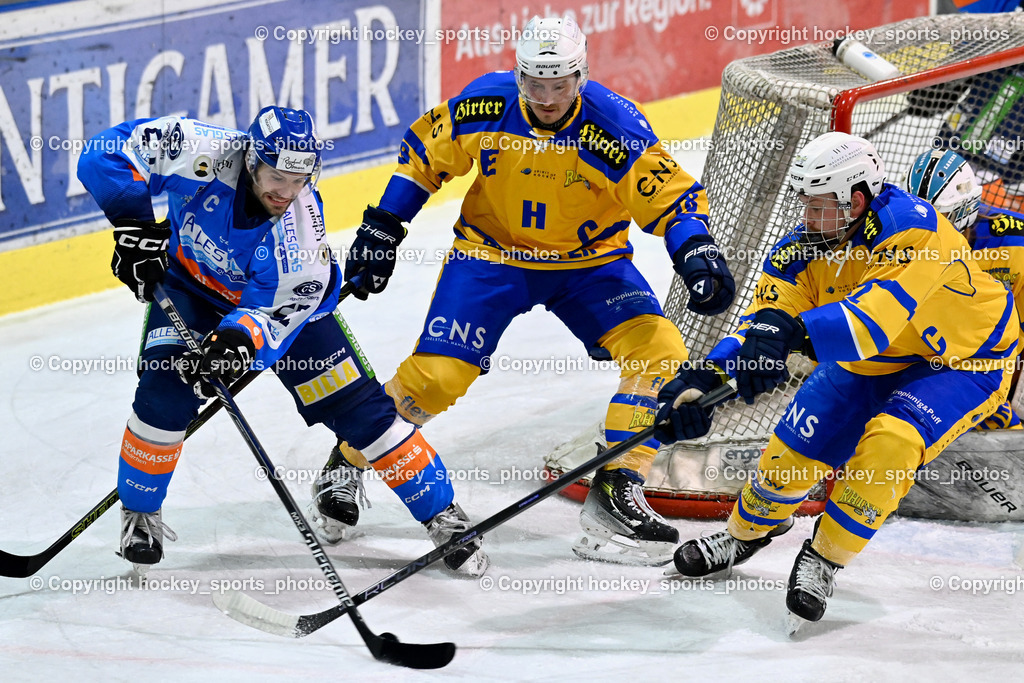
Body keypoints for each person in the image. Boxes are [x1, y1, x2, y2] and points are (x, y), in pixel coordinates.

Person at [312, 14, 735, 567]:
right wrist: (383, 226)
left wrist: (696, 251)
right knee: (437, 378)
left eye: (559, 85)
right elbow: (423, 159)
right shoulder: (486, 105)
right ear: (519, 77)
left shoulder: (612, 127)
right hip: (489, 258)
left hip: (590, 266)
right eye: (535, 84)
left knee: (662, 354)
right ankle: (348, 460)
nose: (546, 97)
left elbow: (674, 200)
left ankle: (616, 487)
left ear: (580, 77)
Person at [76, 106, 488, 577]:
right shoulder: (201, 151)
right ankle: (140, 515)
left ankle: (442, 516)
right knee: (162, 396)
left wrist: (234, 345)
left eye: (299, 179)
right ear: (252, 159)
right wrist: (135, 229)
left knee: (363, 413)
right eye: (276, 176)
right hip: (191, 291)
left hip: (291, 316)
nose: (286, 192)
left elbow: (276, 313)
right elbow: (103, 153)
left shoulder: (301, 238)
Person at [653, 132, 1019, 626]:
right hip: (875, 358)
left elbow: (872, 323)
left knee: (893, 441)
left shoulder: (917, 230)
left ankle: (824, 557)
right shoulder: (801, 248)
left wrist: (791, 335)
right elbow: (763, 323)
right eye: (804, 203)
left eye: (819, 205)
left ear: (857, 201)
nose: (807, 217)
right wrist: (704, 379)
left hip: (963, 360)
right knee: (791, 455)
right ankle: (745, 534)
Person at [905, 148, 1024, 429]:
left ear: (967, 210)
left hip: (999, 363)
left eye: (943, 216)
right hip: (931, 362)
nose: (931, 228)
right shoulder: (900, 241)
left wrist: (999, 392)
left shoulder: (1015, 243)